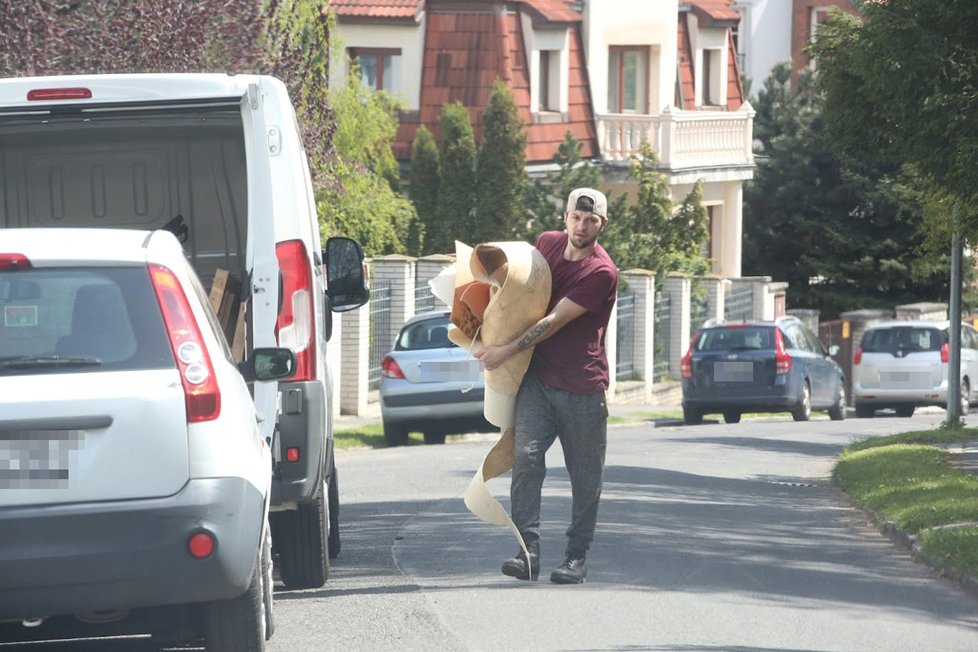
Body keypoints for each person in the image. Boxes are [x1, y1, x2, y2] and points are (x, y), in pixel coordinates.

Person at [475, 188, 618, 584]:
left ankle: (576, 556)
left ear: (602, 225)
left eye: (591, 221)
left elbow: (552, 320)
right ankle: (528, 552)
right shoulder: (547, 244)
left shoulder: (601, 273)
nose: (581, 226)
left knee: (585, 477)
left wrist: (504, 350)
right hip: (538, 380)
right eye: (576, 217)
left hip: (582, 388)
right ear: (566, 216)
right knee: (526, 459)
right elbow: (518, 287)